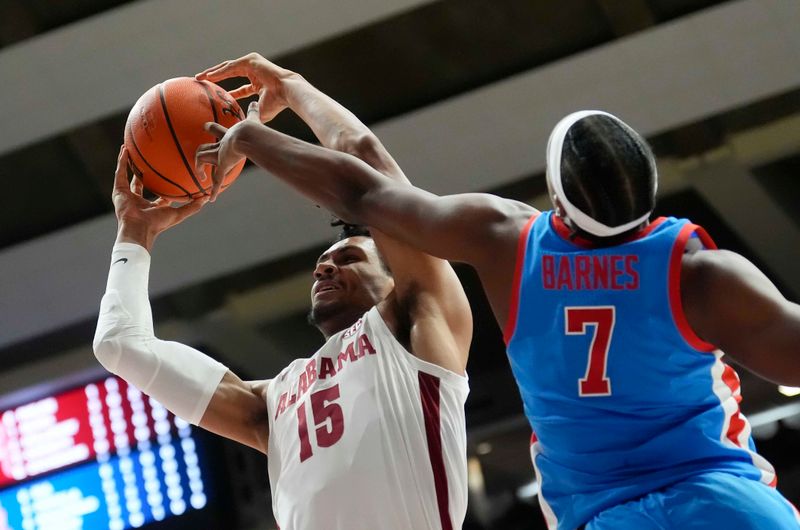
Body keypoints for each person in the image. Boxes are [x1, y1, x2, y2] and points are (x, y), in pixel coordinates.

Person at [195, 56, 800, 530]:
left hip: (600, 515)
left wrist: (255, 136)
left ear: (557, 195)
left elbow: (364, 187)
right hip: (722, 502)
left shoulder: (507, 240)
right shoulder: (699, 275)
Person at [93, 58, 475, 528]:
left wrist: (293, 88)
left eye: (349, 258)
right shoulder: (271, 405)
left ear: (397, 279)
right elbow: (120, 345)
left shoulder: (418, 320)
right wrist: (134, 234)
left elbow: (367, 164)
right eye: (323, 262)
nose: (325, 265)